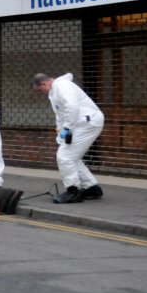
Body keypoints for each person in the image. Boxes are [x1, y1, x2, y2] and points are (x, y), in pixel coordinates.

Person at [32, 73, 105, 203]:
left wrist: (67, 128)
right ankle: (91, 188)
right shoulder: (54, 92)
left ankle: (73, 191)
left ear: (43, 84)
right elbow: (61, 115)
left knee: (64, 156)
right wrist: (61, 134)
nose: (41, 92)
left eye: (40, 90)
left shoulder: (63, 86)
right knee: (71, 157)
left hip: (87, 122)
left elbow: (72, 107)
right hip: (81, 123)